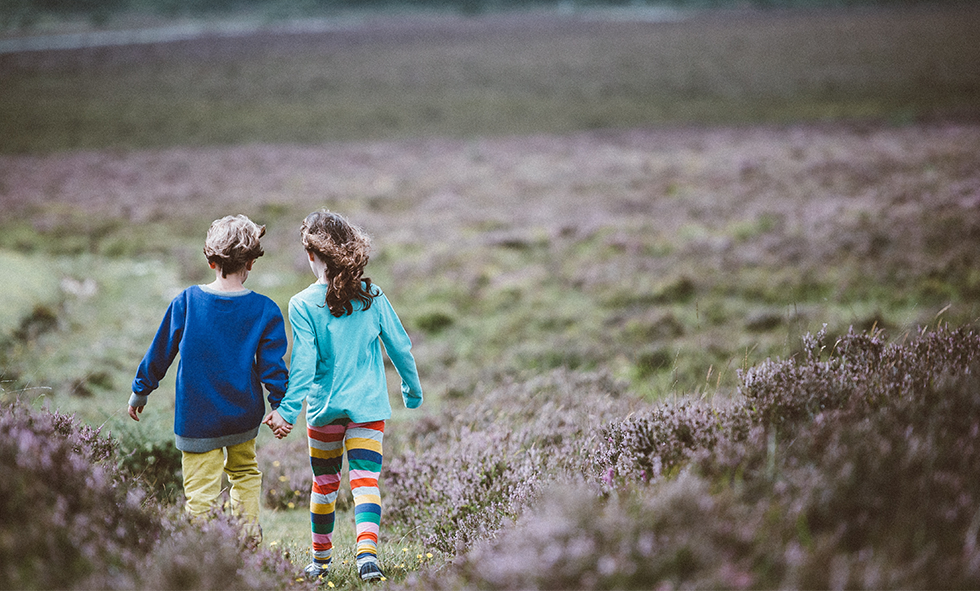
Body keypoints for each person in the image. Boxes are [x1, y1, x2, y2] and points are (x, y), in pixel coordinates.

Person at [264, 210, 423, 583]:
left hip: (323, 411)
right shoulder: (372, 295)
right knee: (365, 481)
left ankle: (320, 563)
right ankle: (368, 557)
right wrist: (411, 389)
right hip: (368, 409)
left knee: (325, 484)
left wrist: (287, 411)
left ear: (311, 255)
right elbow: (400, 346)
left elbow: (303, 365)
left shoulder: (302, 303)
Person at [128, 214, 288, 542]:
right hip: (244, 416)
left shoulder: (186, 302)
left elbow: (160, 351)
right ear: (251, 263)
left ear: (211, 260)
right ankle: (246, 541)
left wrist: (140, 390)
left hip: (196, 418)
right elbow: (273, 367)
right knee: (244, 473)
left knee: (200, 492)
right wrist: (279, 404)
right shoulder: (265, 309)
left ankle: (204, 552)